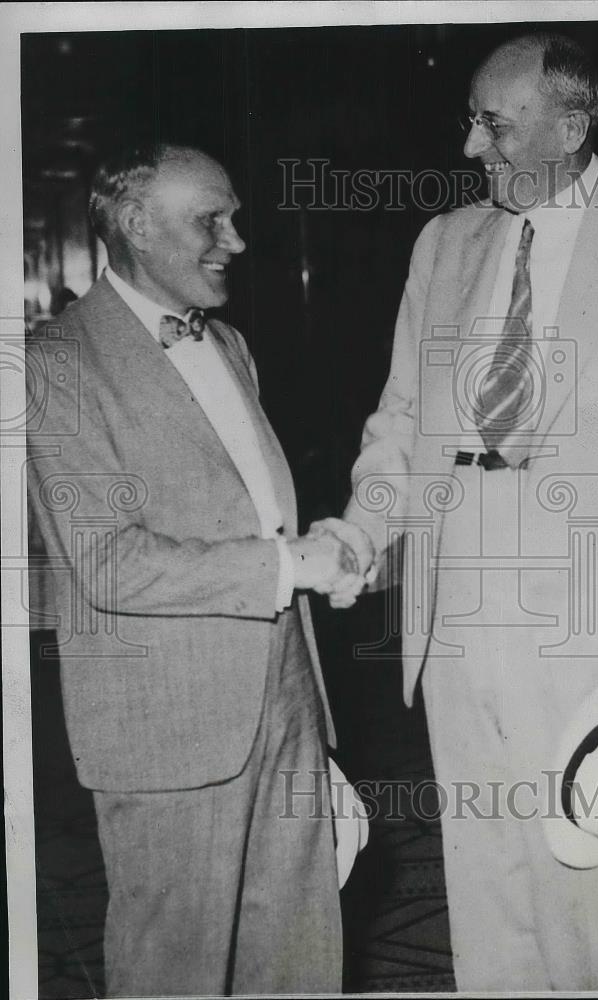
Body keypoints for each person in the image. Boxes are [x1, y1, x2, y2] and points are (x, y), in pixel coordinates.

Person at [333, 33, 598, 991]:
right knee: (484, 875)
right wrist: (360, 530)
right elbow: (401, 419)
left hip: (597, 609)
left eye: (494, 124)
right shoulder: (446, 241)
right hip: (458, 597)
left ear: (572, 124)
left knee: (583, 880)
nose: (471, 147)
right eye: (470, 121)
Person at [25, 142, 373, 997]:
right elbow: (109, 565)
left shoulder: (232, 346)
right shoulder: (52, 366)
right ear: (135, 226)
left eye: (236, 217)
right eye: (210, 220)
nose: (238, 241)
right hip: (166, 725)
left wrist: (320, 552)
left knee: (297, 954)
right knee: (172, 970)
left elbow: (247, 514)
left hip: (286, 695)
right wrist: (290, 563)